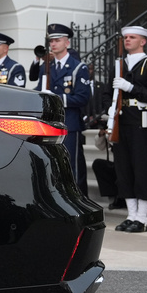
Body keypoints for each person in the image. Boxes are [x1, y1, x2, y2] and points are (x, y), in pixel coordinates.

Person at [36, 23, 91, 196]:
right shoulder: (46, 68)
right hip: (49, 123)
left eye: (57, 40)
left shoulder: (77, 68)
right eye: (51, 41)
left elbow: (83, 97)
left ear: (67, 43)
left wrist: (56, 98)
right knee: (52, 164)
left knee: (72, 166)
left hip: (70, 123)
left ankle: (79, 200)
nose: (53, 44)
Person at [109, 26, 147, 232]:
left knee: (141, 168)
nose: (127, 40)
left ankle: (142, 218)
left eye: (132, 37)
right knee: (124, 169)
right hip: (121, 121)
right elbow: (108, 92)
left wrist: (131, 88)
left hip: (142, 122)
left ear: (142, 41)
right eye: (125, 37)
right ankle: (131, 214)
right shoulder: (119, 64)